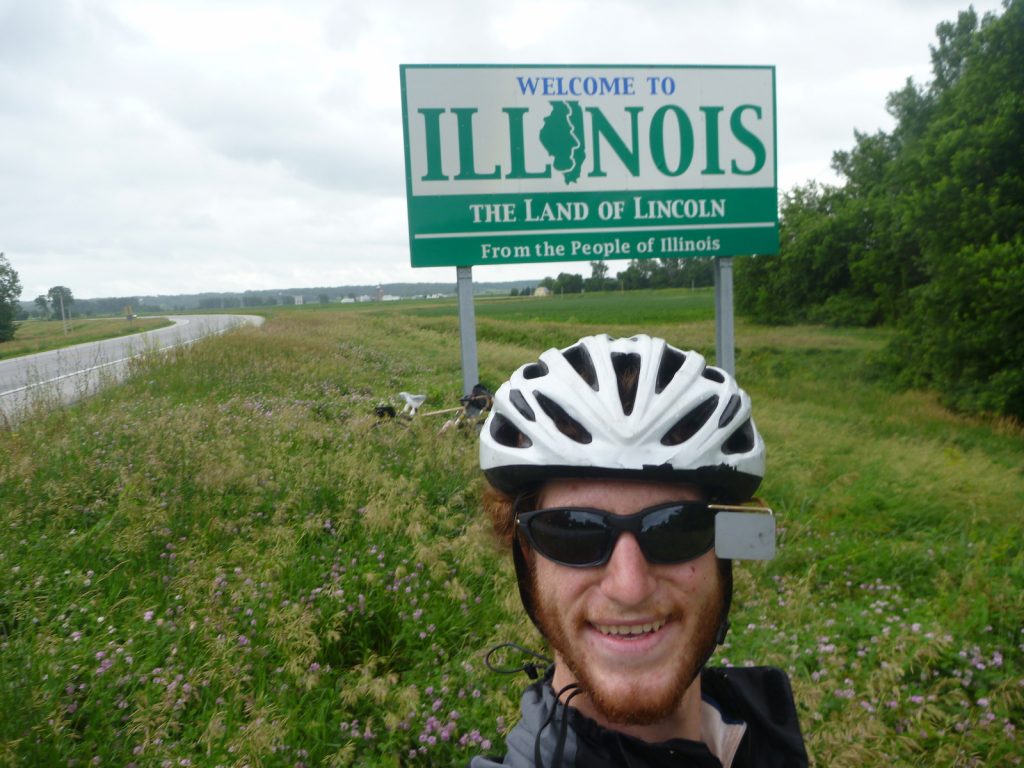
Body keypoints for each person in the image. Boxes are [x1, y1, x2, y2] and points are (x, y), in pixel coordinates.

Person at [471, 334, 808, 768]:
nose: (629, 588)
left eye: (676, 528)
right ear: (526, 556)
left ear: (723, 551)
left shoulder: (754, 734)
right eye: (574, 532)